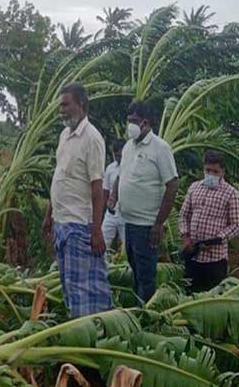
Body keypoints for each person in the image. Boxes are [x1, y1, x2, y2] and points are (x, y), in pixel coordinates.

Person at [42, 83, 112, 318]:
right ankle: (80, 328)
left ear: (80, 105)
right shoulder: (65, 135)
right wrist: (49, 214)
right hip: (62, 222)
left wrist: (96, 229)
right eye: (60, 105)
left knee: (84, 289)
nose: (61, 110)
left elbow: (97, 187)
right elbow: (60, 175)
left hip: (79, 225)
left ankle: (91, 333)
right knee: (69, 287)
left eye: (65, 104)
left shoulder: (92, 139)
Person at [110, 101, 178, 303]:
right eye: (128, 120)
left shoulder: (160, 148)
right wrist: (114, 195)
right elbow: (121, 175)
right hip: (128, 222)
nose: (129, 125)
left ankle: (146, 317)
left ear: (145, 122)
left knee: (146, 275)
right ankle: (136, 310)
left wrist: (159, 223)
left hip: (147, 225)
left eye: (134, 121)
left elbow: (172, 185)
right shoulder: (128, 147)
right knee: (135, 269)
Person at [179, 151, 239, 292]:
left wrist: (217, 239)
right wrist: (185, 237)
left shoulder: (231, 194)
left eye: (215, 171)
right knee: (189, 295)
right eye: (208, 170)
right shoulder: (194, 187)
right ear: (203, 168)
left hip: (215, 259)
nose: (211, 174)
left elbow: (236, 225)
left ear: (222, 172)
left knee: (211, 297)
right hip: (192, 256)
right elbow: (184, 215)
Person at [102, 140, 126, 251]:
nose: (119, 158)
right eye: (116, 155)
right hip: (111, 212)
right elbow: (105, 191)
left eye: (120, 155)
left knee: (127, 245)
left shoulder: (131, 167)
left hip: (126, 213)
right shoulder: (110, 168)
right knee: (103, 241)